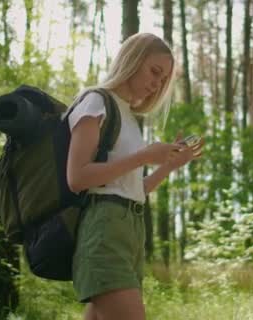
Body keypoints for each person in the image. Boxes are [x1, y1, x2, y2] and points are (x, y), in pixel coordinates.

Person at [66, 32, 203, 320]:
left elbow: (130, 189)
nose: (157, 83)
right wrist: (144, 156)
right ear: (132, 59)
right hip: (104, 230)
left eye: (163, 79)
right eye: (154, 71)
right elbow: (76, 177)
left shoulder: (127, 115)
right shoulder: (96, 101)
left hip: (130, 230)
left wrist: (167, 166)